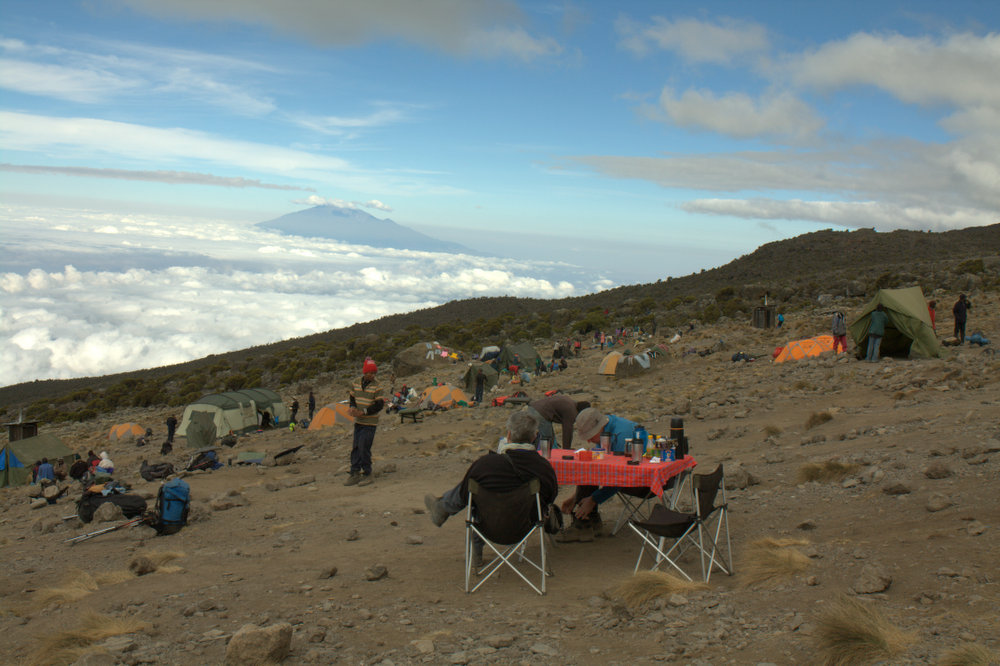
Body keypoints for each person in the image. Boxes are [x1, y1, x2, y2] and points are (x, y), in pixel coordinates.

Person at [423, 409, 558, 565]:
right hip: (525, 527)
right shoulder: (543, 468)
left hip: (489, 528)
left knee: (474, 495)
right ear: (535, 436)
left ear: (509, 435)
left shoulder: (485, 465)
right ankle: (443, 509)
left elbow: (463, 495)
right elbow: (551, 497)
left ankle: (445, 510)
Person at [557, 407, 651, 543]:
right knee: (590, 466)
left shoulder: (622, 436)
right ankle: (590, 520)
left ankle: (583, 526)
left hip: (641, 480)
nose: (588, 441)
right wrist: (575, 497)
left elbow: (622, 477)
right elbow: (602, 470)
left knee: (591, 468)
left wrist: (594, 499)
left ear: (599, 427)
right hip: (627, 475)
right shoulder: (607, 429)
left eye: (590, 436)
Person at [345, 358, 384, 486]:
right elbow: (352, 398)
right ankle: (354, 472)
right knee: (355, 447)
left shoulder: (378, 386)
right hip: (359, 421)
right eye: (370, 373)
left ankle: (368, 473)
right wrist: (352, 407)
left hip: (370, 422)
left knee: (364, 447)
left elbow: (379, 405)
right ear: (365, 373)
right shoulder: (355, 383)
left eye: (374, 373)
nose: (372, 376)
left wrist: (364, 412)